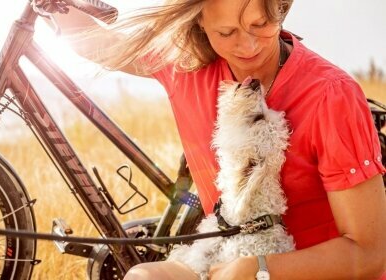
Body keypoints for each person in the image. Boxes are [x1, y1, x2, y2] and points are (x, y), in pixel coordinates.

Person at [34, 0, 386, 279]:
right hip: (227, 261)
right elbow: (104, 44)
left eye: (260, 25)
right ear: (200, 22)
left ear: (280, 9)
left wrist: (260, 269)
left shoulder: (331, 95)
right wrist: (56, 6)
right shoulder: (187, 65)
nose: (247, 46)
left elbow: (369, 254)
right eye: (226, 32)